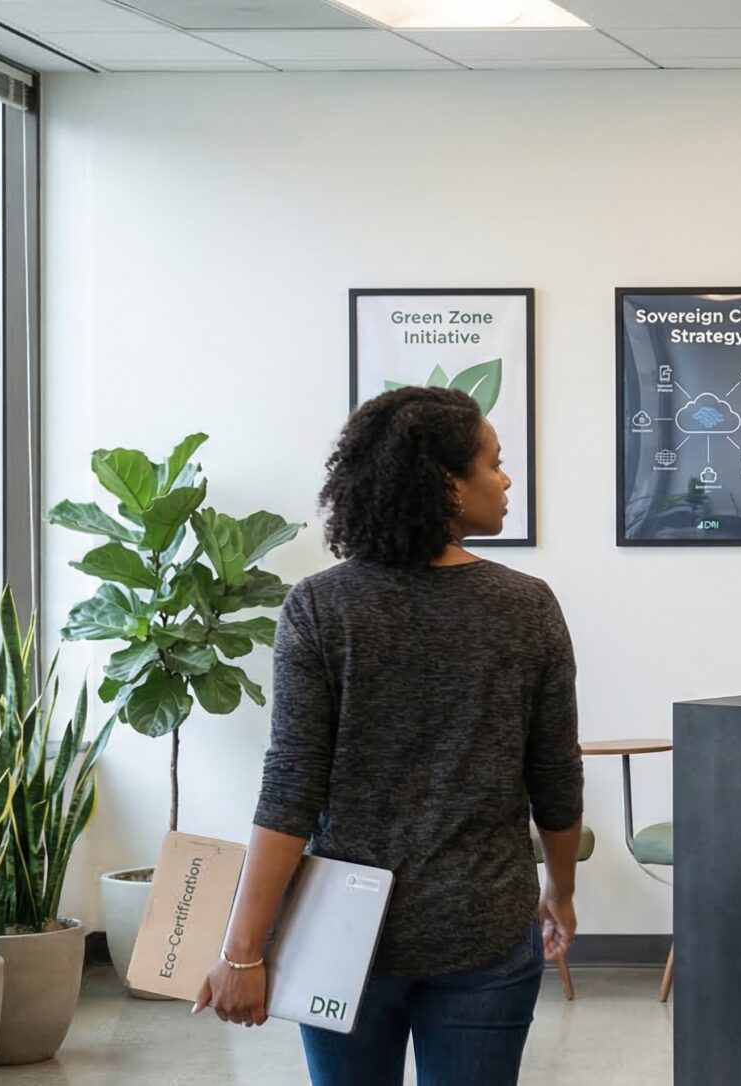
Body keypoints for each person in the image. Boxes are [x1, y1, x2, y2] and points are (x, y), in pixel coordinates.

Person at [194, 386, 585, 1086]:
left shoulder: (320, 607)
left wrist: (242, 951)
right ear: (447, 483)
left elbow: (291, 789)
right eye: (494, 463)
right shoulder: (527, 608)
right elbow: (555, 777)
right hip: (483, 928)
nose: (507, 480)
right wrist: (559, 890)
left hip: (341, 930)